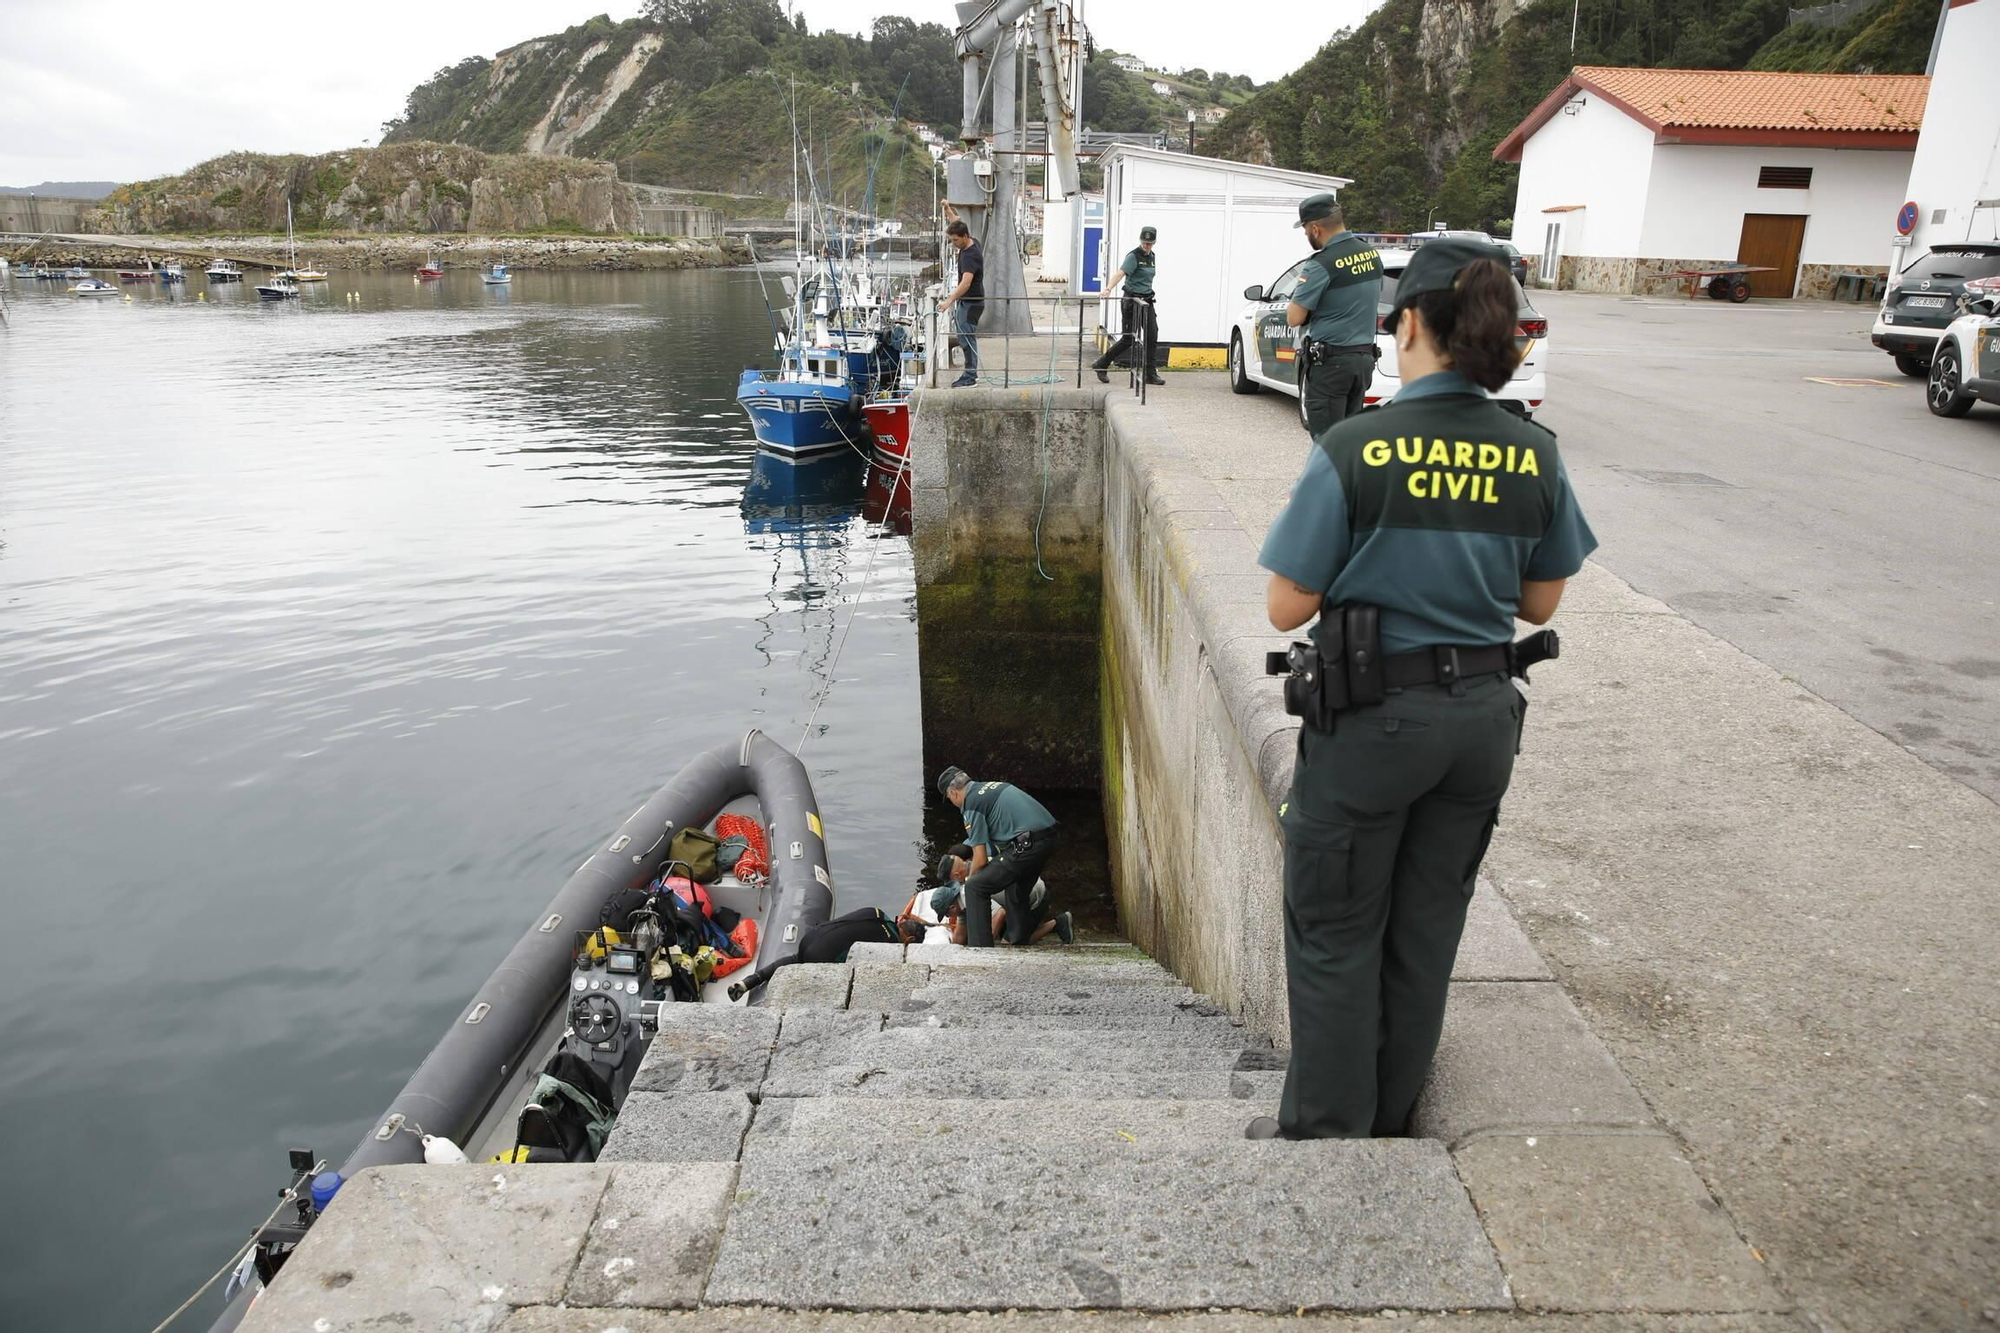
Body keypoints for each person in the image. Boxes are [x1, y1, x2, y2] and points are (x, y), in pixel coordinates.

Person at [1247, 237, 1597, 1141]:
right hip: (1480, 727)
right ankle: (1393, 1121)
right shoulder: (1534, 451)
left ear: (1410, 325)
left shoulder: (1359, 443)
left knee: (1334, 930)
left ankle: (1328, 1136)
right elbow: (1539, 597)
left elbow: (1288, 605)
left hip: (1371, 727)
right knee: (1425, 932)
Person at [1288, 194, 1384, 436]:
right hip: (1362, 363)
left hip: (1331, 366)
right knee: (1349, 442)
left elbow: (1294, 317)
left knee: (1327, 444)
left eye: (1306, 230)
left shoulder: (1322, 263)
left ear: (1316, 229)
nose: (1306, 235)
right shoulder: (1371, 255)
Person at [936, 766, 1060, 948]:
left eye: (949, 798)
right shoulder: (992, 786)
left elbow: (980, 858)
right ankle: (1017, 943)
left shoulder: (971, 804)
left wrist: (971, 879)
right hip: (1049, 836)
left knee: (975, 887)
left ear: (953, 793)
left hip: (1027, 844)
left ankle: (981, 951)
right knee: (1016, 891)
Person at [727, 906, 927, 1000]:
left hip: (811, 937)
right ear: (908, 940)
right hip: (820, 956)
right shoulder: (890, 943)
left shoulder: (876, 912)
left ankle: (748, 982)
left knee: (796, 959)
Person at [932, 843, 1072, 945]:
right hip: (1022, 893)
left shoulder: (973, 888)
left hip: (1034, 899)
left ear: (956, 875)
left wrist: (985, 945)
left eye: (947, 914)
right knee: (1002, 930)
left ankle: (1058, 923)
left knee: (1009, 944)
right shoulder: (979, 862)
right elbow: (961, 932)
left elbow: (1000, 915)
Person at [1093, 224, 1165, 386]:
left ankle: (1150, 374)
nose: (1146, 246)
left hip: (1147, 301)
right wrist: (1108, 288)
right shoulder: (1134, 256)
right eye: (1144, 243)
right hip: (1132, 301)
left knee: (1152, 336)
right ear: (1140, 241)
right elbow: (1120, 273)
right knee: (1128, 339)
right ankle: (1101, 364)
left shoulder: (1151, 257)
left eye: (1150, 243)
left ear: (1154, 243)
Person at [939, 215, 985, 389]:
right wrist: (947, 209)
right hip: (972, 301)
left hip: (971, 302)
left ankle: (970, 376)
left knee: (966, 339)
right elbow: (956, 219)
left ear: (965, 236)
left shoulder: (969, 256)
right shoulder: (974, 242)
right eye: (951, 240)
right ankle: (971, 373)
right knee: (966, 336)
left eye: (955, 240)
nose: (953, 244)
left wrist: (949, 301)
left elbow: (966, 282)